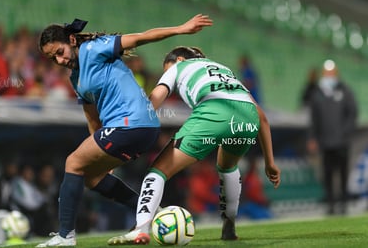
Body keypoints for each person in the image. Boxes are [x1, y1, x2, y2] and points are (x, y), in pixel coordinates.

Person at [35, 14, 213, 247]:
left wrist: (181, 29)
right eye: (52, 58)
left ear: (72, 39)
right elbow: (92, 118)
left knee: (72, 163)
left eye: (59, 52)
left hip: (130, 124)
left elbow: (141, 38)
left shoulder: (94, 48)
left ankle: (65, 236)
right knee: (91, 176)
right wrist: (99, 155)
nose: (58, 61)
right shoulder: (76, 78)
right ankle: (151, 212)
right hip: (136, 129)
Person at [108, 46, 281, 245]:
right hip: (247, 118)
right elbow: (262, 118)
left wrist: (125, 137)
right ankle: (229, 227)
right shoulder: (224, 70)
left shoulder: (178, 67)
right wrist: (270, 162)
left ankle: (140, 229)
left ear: (179, 59)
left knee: (157, 171)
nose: (167, 74)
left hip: (214, 112)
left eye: (167, 69)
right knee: (227, 166)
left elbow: (154, 99)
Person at [306, 59, 358, 215]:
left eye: (332, 73)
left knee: (343, 172)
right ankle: (330, 203)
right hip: (325, 141)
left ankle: (343, 202)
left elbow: (352, 112)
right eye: (327, 73)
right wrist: (313, 137)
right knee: (327, 173)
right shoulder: (317, 94)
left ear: (336, 74)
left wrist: (345, 132)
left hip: (342, 141)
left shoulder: (345, 91)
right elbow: (314, 119)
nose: (329, 76)